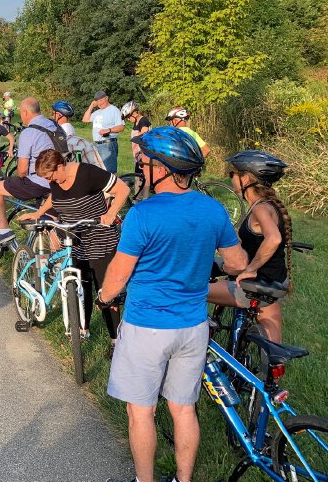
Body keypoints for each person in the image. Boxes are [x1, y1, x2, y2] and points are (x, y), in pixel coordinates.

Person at [98, 127, 248, 482]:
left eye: (144, 162)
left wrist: (104, 297)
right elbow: (237, 262)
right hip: (192, 327)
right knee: (183, 410)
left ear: (162, 168)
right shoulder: (212, 209)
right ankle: (183, 479)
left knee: (142, 414)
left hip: (147, 326)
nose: (140, 168)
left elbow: (119, 274)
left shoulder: (143, 214)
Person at [21, 149, 129, 353]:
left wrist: (111, 213)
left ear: (60, 166)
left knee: (106, 291)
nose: (49, 181)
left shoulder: (88, 174)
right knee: (81, 287)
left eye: (50, 176)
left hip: (99, 238)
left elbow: (123, 189)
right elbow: (55, 197)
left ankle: (116, 340)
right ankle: (83, 329)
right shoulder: (56, 180)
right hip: (74, 239)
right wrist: (39, 212)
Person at [208, 150, 291, 342]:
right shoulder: (270, 205)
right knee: (272, 348)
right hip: (275, 282)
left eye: (233, 174)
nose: (231, 178)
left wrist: (251, 269)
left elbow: (274, 239)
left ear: (245, 179)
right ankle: (270, 365)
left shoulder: (261, 208)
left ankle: (199, 337)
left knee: (191, 288)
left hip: (255, 281)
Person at [0, 98, 56, 246]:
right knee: (52, 223)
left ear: (25, 112)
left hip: (38, 182)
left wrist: (16, 177)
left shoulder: (29, 132)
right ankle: (57, 262)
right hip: (58, 182)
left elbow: (22, 170)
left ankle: (4, 231)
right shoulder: (54, 125)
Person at [82, 90, 124, 174]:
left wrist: (109, 130)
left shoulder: (114, 110)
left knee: (109, 172)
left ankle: (115, 186)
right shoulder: (97, 112)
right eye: (97, 101)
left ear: (107, 98)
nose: (100, 103)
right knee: (99, 172)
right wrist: (91, 106)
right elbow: (85, 119)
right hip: (96, 145)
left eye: (101, 100)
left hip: (108, 144)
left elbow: (121, 127)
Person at [122, 101, 152, 199]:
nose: (127, 119)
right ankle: (138, 197)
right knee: (139, 177)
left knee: (143, 177)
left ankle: (143, 199)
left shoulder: (143, 120)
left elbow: (145, 131)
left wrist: (137, 138)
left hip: (143, 154)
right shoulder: (137, 121)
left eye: (128, 117)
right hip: (139, 154)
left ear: (134, 113)